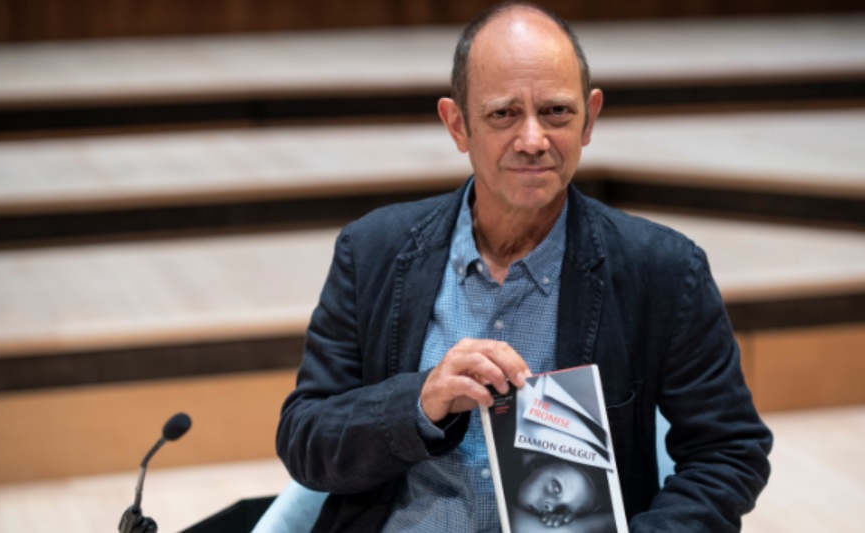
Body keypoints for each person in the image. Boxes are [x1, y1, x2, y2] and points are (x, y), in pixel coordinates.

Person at [276, 2, 772, 532]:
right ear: (458, 125)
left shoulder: (663, 271)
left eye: (556, 112)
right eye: (503, 114)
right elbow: (306, 438)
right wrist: (420, 401)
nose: (533, 141)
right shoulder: (373, 250)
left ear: (590, 118)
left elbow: (728, 452)